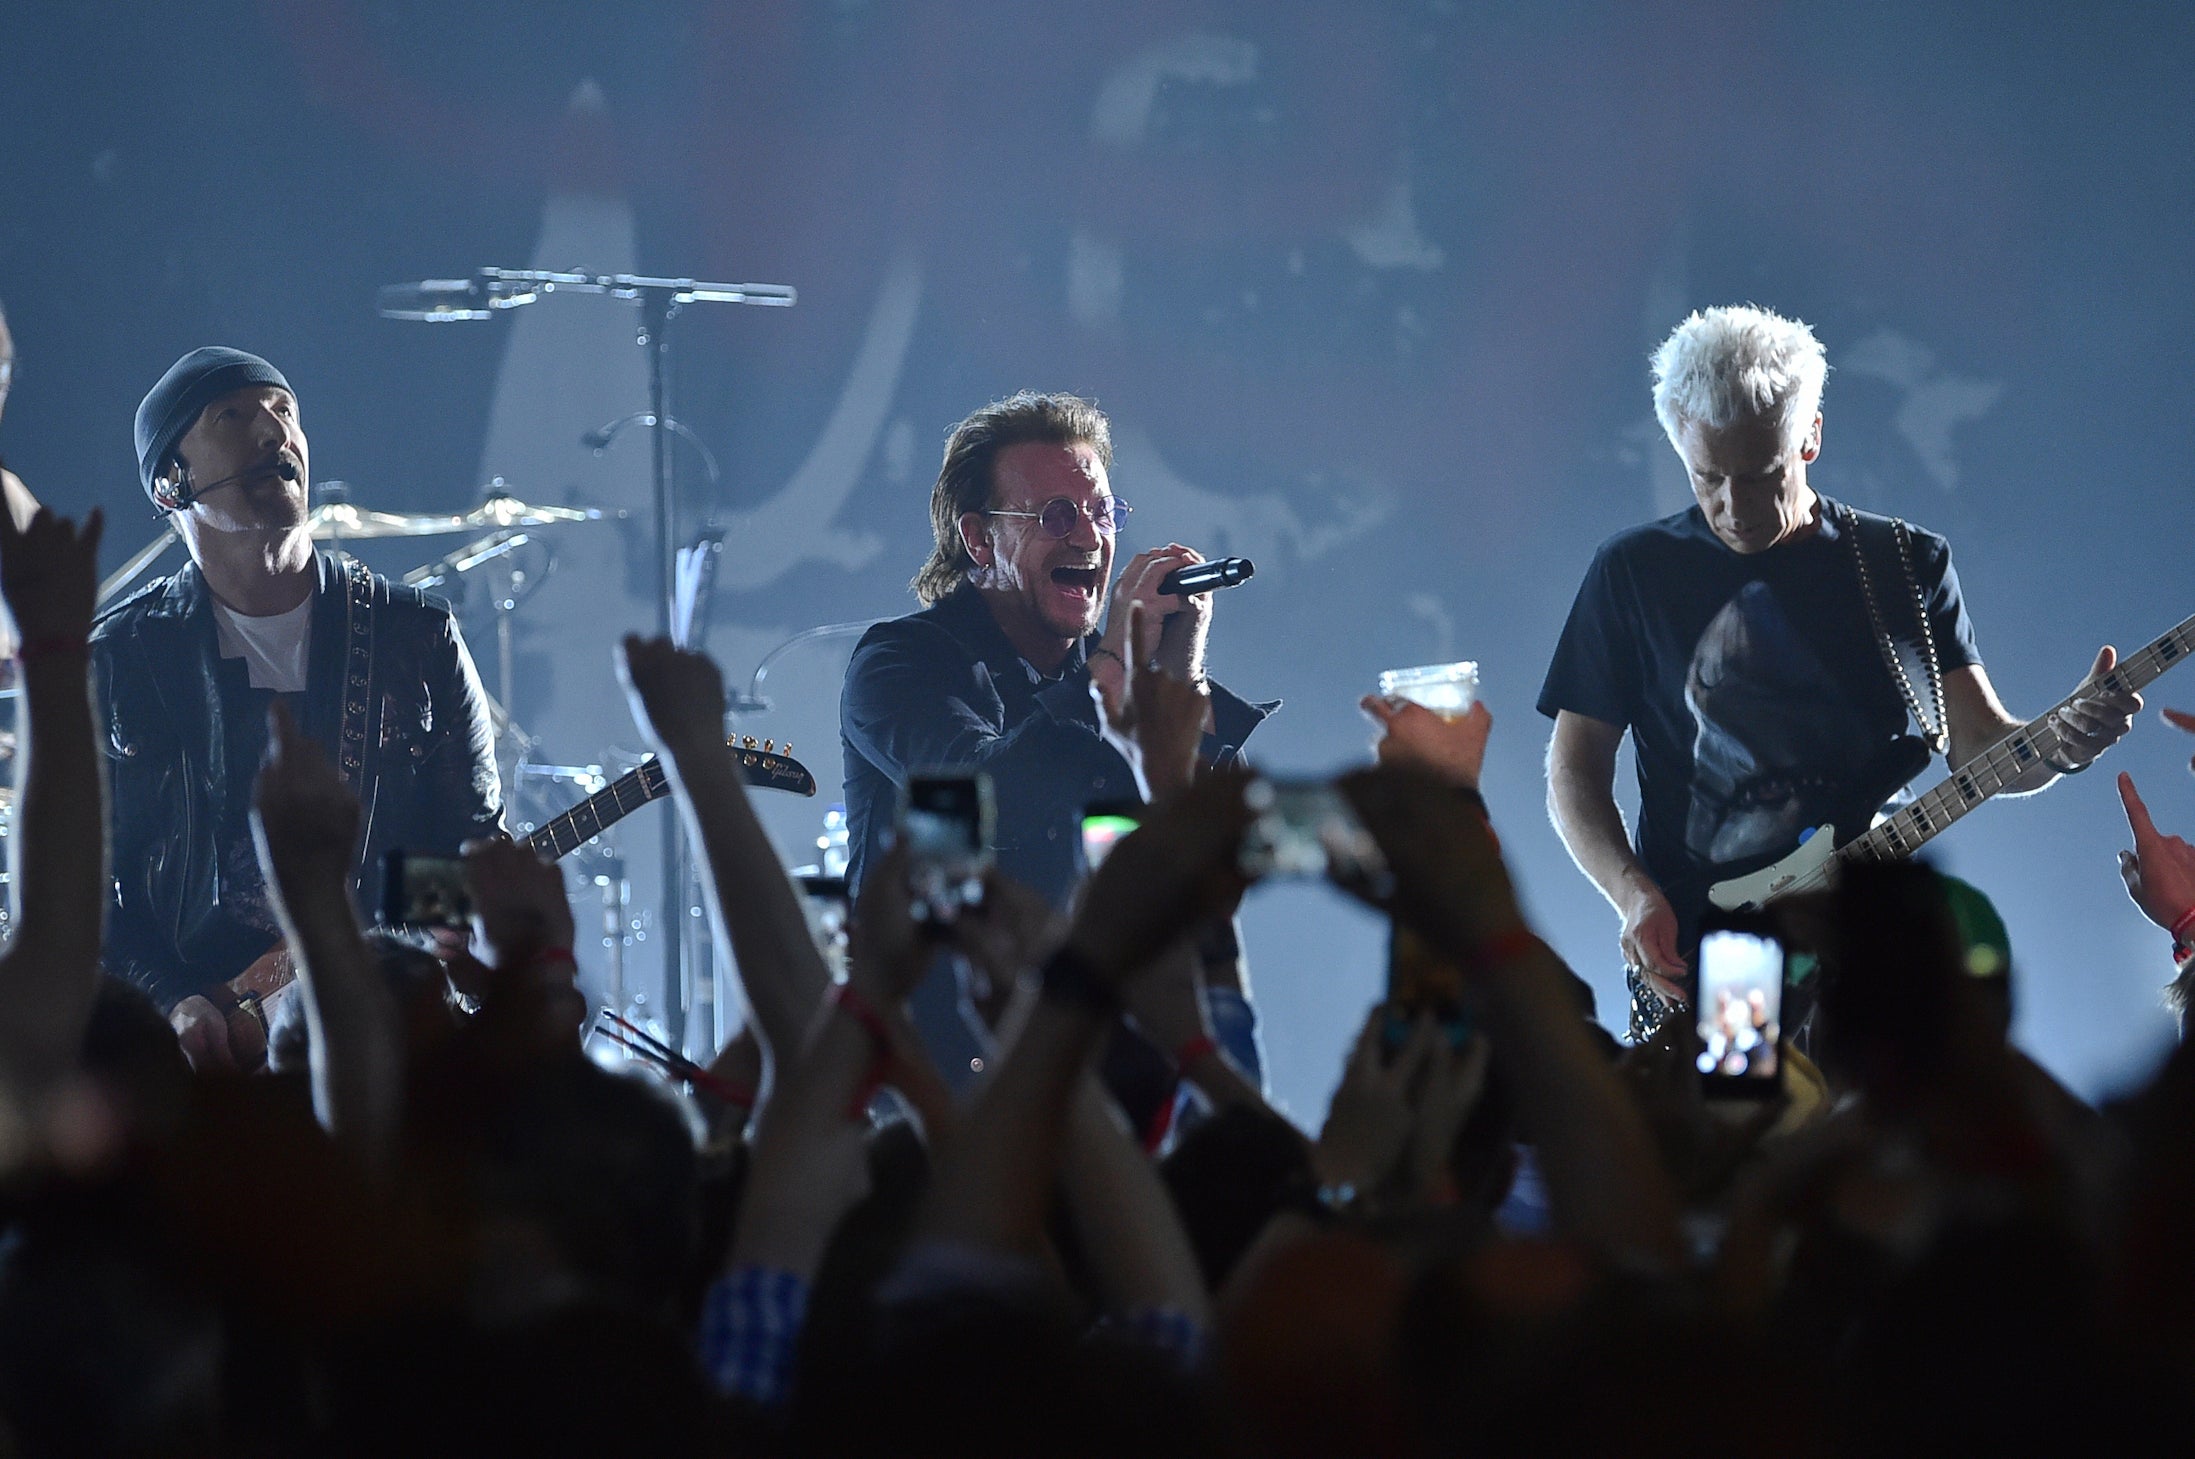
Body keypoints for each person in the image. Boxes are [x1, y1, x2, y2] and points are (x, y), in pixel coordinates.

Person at [1540, 305, 2140, 1037]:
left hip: (1873, 938)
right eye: (1708, 478)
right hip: (1718, 953)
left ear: (1811, 436)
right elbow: (1573, 771)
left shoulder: (1903, 564)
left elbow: (1983, 750)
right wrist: (1632, 893)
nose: (1736, 508)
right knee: (1743, 1135)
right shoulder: (1630, 572)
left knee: (1891, 1141)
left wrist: (2061, 741)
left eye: (1763, 475)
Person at [93, 346, 503, 1068]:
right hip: (197, 1059)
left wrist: (435, 938)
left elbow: (467, 838)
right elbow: (83, 891)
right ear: (169, 483)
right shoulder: (119, 660)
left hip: (378, 1039)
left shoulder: (416, 637)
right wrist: (169, 1000)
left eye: (285, 413)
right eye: (235, 416)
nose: (274, 434)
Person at [842, 390, 1272, 909]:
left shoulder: (1111, 667)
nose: (1091, 538)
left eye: (1102, 512)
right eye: (1057, 516)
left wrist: (1179, 674)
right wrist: (1115, 663)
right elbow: (989, 799)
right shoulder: (899, 664)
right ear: (981, 539)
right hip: (941, 986)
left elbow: (1217, 845)